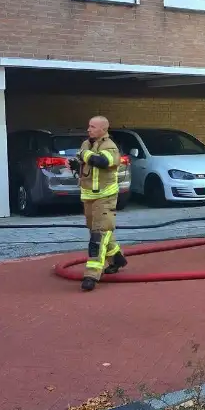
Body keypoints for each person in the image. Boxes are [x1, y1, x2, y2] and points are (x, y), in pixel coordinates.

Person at [69, 116, 127, 292]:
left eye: (93, 127)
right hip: (89, 197)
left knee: (98, 236)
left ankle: (92, 275)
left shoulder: (109, 146)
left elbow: (102, 161)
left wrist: (84, 155)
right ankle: (117, 258)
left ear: (103, 129)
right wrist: (75, 163)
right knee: (97, 230)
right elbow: (85, 163)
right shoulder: (87, 144)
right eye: (89, 126)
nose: (89, 129)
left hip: (105, 197)